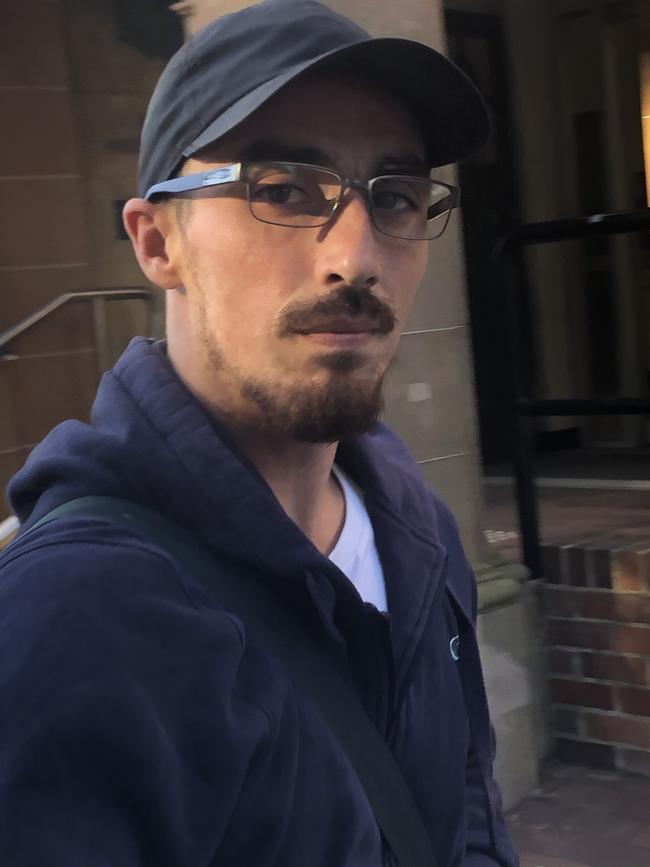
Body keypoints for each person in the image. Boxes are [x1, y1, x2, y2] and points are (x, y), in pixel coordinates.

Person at [0, 1, 519, 865]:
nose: (355, 254)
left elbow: (466, 809)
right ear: (158, 241)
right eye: (281, 189)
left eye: (392, 195)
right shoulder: (65, 630)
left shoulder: (417, 528)